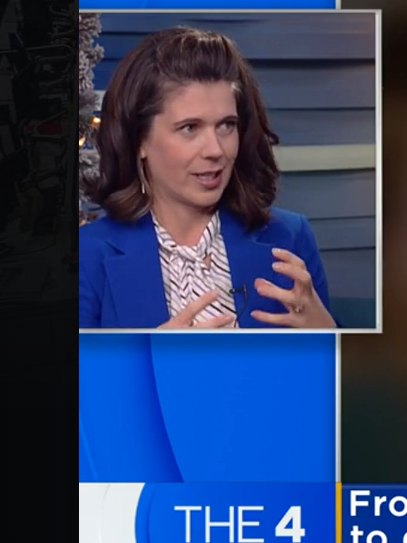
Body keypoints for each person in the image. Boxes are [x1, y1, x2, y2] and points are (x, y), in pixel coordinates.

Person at [79, 27, 337, 329]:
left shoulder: (290, 237)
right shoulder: (88, 256)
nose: (216, 150)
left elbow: (340, 373)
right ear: (140, 141)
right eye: (190, 128)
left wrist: (328, 335)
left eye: (227, 125)